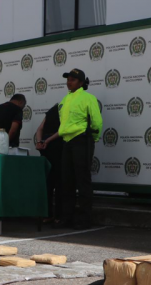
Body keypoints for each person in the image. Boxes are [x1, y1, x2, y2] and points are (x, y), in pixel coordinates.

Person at [55, 68, 102, 229]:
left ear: (81, 82)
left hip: (82, 140)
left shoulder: (88, 98)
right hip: (67, 142)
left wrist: (92, 138)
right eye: (68, 79)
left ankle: (84, 219)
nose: (69, 82)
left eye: (73, 79)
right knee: (66, 181)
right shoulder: (64, 100)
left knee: (82, 181)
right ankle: (66, 218)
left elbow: (96, 121)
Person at [34, 103, 62, 222]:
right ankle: (59, 216)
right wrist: (48, 141)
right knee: (60, 182)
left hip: (45, 148)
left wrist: (40, 141)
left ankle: (47, 214)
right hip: (57, 146)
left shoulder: (52, 110)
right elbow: (63, 130)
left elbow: (40, 128)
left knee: (48, 182)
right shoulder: (65, 110)